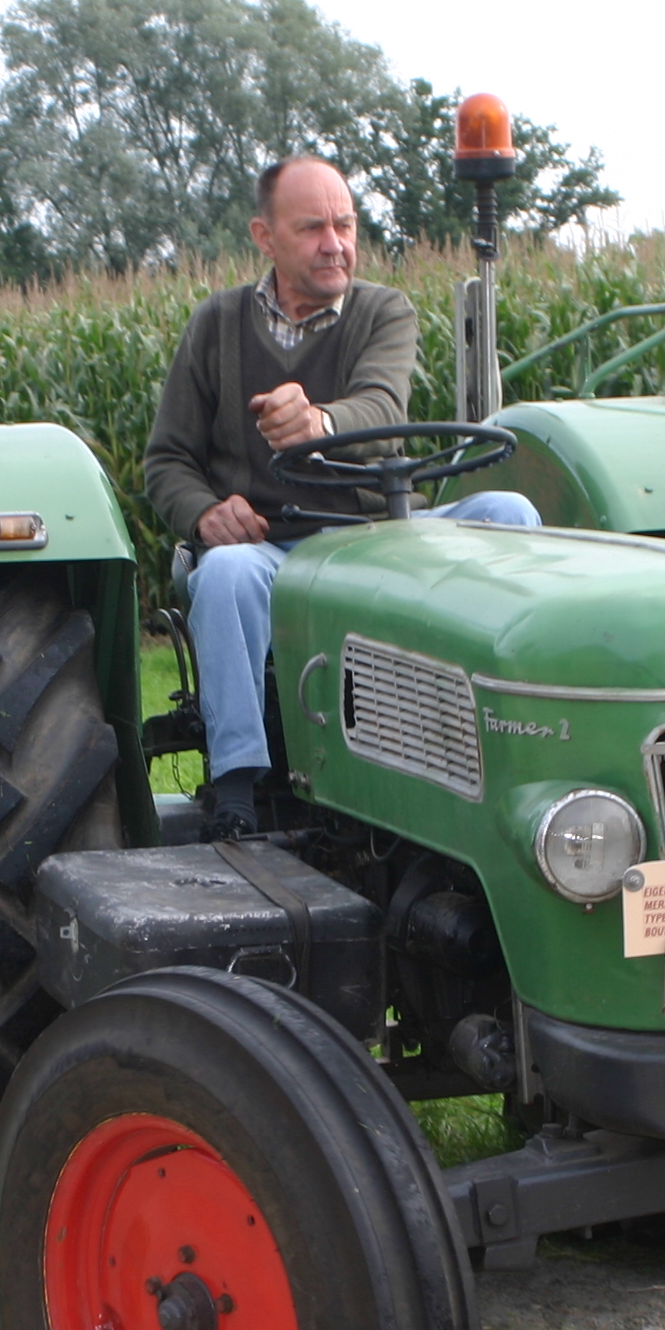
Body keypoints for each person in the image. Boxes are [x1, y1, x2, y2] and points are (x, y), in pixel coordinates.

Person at [142, 154, 536, 839]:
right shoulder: (217, 326)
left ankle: (514, 744)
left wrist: (319, 423)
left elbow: (383, 406)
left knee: (509, 514)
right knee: (227, 572)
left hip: (380, 537)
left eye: (346, 225)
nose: (336, 244)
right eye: (313, 228)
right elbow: (167, 460)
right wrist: (205, 513)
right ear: (265, 238)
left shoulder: (384, 311)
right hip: (275, 546)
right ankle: (239, 789)